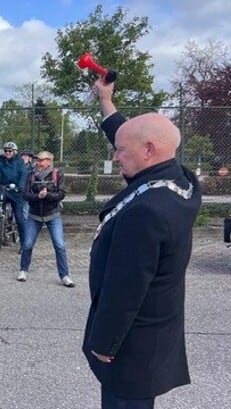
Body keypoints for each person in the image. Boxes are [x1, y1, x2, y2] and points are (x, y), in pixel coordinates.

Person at [83, 79, 201, 408]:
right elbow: (131, 136)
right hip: (154, 335)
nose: (116, 156)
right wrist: (106, 101)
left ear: (148, 151)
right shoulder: (180, 180)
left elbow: (126, 288)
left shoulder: (146, 211)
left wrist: (104, 343)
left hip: (130, 346)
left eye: (120, 151)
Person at [18, 151, 73, 286]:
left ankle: (64, 275)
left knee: (59, 245)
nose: (38, 162)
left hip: (53, 215)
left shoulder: (57, 174)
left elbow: (61, 194)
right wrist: (38, 196)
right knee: (27, 244)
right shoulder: (30, 175)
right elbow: (24, 194)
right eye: (37, 160)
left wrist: (47, 195)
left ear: (49, 161)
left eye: (41, 160)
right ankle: (23, 270)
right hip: (34, 215)